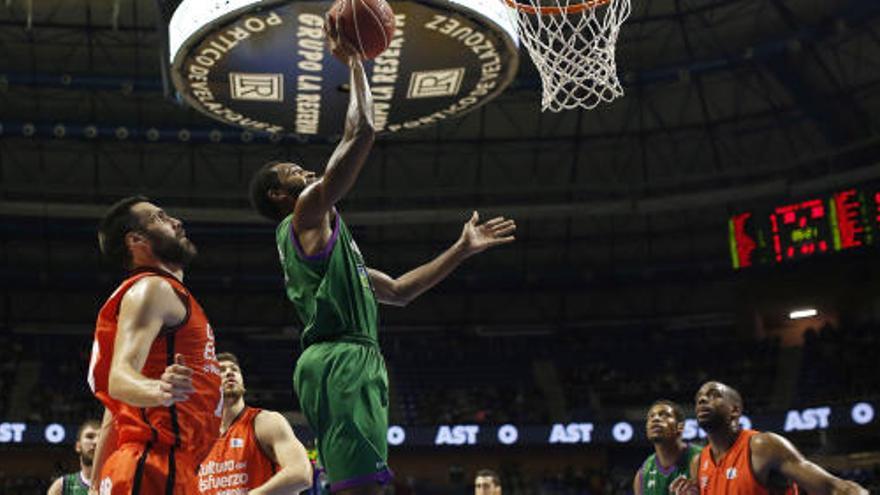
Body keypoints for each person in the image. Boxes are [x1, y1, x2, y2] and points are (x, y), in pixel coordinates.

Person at [248, 21, 516, 495]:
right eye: (294, 170)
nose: (306, 170)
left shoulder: (327, 251)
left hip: (333, 360)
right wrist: (354, 61)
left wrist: (462, 248)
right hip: (344, 360)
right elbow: (364, 129)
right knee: (363, 489)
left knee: (353, 484)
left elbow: (399, 291)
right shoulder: (306, 214)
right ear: (278, 194)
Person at [87, 196, 223, 494]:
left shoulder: (162, 294)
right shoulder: (153, 288)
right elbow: (119, 379)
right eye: (160, 218)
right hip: (155, 466)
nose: (176, 222)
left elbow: (115, 409)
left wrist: (95, 485)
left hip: (162, 466)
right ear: (136, 240)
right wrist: (160, 390)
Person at [670, 381, 868, 495]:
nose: (703, 400)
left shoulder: (763, 446)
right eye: (699, 399)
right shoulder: (699, 462)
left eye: (714, 395)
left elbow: (834, 487)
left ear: (735, 411)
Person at [198, 352, 313, 494]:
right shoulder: (198, 439)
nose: (229, 373)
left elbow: (301, 474)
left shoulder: (265, 422)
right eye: (221, 370)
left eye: (234, 369)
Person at [633, 400, 702, 495]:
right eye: (651, 417)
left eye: (664, 415)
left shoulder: (702, 459)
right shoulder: (642, 475)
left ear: (680, 427)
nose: (655, 419)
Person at [47, 419, 101, 495]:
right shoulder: (61, 487)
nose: (96, 442)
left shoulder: (116, 480)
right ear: (78, 446)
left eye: (101, 438)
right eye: (90, 436)